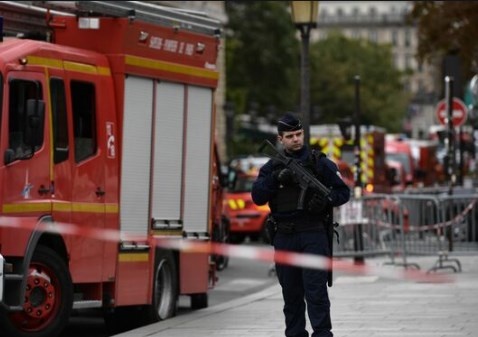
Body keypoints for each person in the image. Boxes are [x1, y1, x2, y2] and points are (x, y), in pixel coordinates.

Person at [251, 113, 350, 337]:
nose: (295, 139)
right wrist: (277, 179)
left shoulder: (319, 163)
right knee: (291, 295)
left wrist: (326, 200)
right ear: (280, 139)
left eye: (298, 134)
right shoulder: (272, 166)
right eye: (290, 136)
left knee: (316, 293)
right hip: (285, 236)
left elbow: (343, 192)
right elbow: (257, 196)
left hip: (313, 234)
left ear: (303, 133)